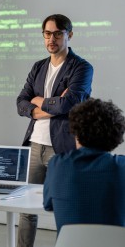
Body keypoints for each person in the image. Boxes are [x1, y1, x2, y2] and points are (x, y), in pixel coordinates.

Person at [16, 14, 93, 246]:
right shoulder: (38, 66)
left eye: (58, 33)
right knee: (26, 209)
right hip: (34, 145)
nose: (52, 39)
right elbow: (21, 103)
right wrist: (50, 104)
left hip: (62, 147)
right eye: (47, 34)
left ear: (69, 35)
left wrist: (38, 100)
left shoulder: (82, 67)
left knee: (64, 207)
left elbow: (69, 104)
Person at [43, 98, 125, 233]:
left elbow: (48, 205)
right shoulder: (121, 167)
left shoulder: (57, 164)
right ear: (116, 135)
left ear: (75, 132)